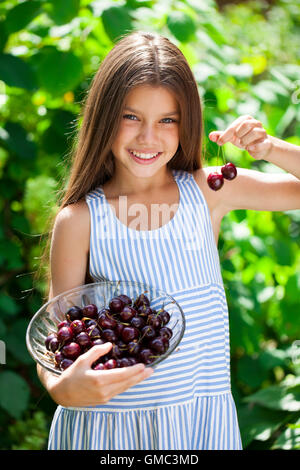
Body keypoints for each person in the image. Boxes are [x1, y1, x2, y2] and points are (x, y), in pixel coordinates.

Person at [37, 30, 300, 450]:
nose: (148, 137)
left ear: (186, 123)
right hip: (110, 431)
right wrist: (61, 388)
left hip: (200, 424)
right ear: (104, 117)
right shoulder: (81, 220)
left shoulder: (209, 190)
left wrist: (270, 148)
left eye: (167, 120)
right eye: (131, 117)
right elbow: (56, 336)